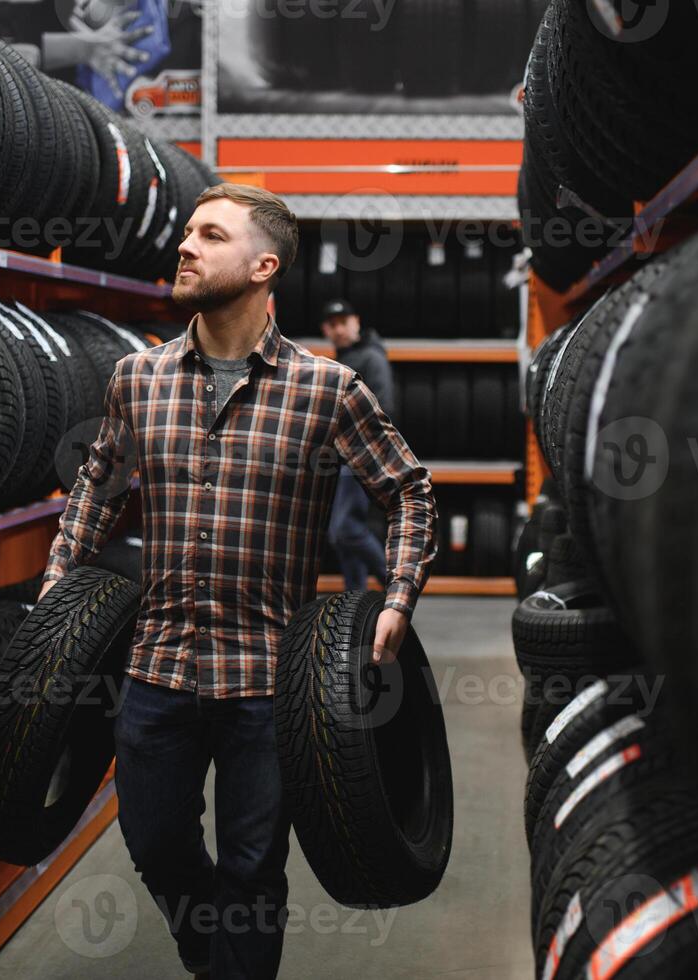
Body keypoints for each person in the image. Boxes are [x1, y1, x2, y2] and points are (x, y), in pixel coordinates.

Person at [39, 184, 437, 979]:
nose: (184, 246)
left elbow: (409, 490)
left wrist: (396, 595)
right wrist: (59, 578)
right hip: (157, 669)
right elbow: (97, 485)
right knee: (155, 844)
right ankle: (214, 958)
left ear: (263, 266)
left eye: (208, 235)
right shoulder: (136, 378)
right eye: (186, 232)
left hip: (267, 682)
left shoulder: (326, 389)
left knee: (254, 866)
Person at [319, 298, 397, 591]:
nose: (339, 329)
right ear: (325, 329)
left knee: (345, 530)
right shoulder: (345, 359)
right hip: (343, 456)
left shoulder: (371, 358)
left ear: (357, 322)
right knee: (342, 534)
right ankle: (355, 598)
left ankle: (396, 587)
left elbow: (383, 408)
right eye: (332, 324)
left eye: (344, 322)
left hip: (362, 455)